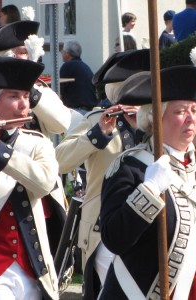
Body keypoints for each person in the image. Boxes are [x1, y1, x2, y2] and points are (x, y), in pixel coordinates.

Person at [99, 65, 196, 299]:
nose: (191, 119)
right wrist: (150, 189)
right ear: (154, 118)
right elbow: (114, 238)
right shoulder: (129, 167)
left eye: (194, 111)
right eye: (180, 112)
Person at [56, 49, 150, 300]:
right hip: (103, 229)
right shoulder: (97, 118)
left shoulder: (158, 123)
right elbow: (60, 161)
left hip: (150, 225)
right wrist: (96, 135)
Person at [0, 56, 60, 300]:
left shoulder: (37, 143)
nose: (23, 105)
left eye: (25, 97)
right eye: (14, 97)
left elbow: (44, 183)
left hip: (33, 269)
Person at [60, 40, 98, 115]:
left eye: (63, 52)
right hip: (90, 112)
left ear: (67, 54)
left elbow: (58, 90)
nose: (62, 54)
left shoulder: (67, 66)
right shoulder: (85, 67)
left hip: (76, 112)